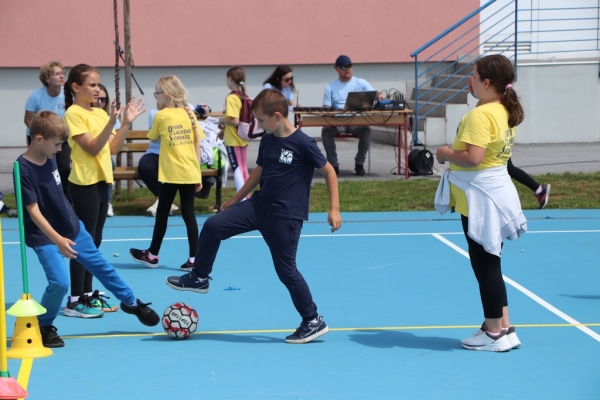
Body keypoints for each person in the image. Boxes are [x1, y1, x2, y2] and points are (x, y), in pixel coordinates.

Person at [165, 89, 342, 344]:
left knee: (286, 271)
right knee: (214, 225)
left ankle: (312, 320)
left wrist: (334, 208)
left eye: (260, 120)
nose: (257, 125)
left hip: (285, 217)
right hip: (258, 206)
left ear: (277, 116)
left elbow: (328, 171)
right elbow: (259, 171)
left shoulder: (303, 143)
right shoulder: (269, 138)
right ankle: (199, 277)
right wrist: (237, 199)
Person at [16, 111, 159, 347]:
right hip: (45, 236)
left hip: (71, 227)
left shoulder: (50, 155)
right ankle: (44, 325)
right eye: (57, 144)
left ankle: (131, 302)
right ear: (38, 139)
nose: (61, 149)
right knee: (60, 283)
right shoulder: (22, 168)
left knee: (102, 267)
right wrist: (58, 240)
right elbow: (33, 211)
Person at [434, 54, 528, 352]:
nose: (469, 81)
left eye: (473, 75)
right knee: (492, 262)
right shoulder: (502, 109)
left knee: (484, 265)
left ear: (486, 82)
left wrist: (445, 153)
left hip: (480, 197)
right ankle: (504, 326)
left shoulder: (481, 115)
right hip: (495, 190)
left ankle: (493, 333)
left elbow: (473, 158)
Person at [63, 64, 145, 318]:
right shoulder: (74, 113)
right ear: (76, 87)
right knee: (84, 241)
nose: (97, 90)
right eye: (92, 85)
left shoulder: (98, 114)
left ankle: (87, 294)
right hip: (84, 182)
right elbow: (91, 147)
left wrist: (124, 124)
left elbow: (111, 149)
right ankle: (75, 299)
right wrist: (111, 120)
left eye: (98, 85)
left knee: (95, 240)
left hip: (102, 180)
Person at [129, 75, 203, 271]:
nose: (155, 97)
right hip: (188, 172)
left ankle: (152, 255)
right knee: (189, 214)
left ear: (166, 94)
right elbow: (197, 147)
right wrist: (198, 174)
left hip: (171, 173)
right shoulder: (189, 114)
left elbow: (152, 137)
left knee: (162, 213)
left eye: (157, 93)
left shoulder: (160, 116)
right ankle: (195, 259)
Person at [322, 55, 384, 176]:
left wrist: (380, 95)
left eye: (350, 66)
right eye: (344, 67)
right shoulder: (330, 87)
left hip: (357, 121)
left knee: (366, 130)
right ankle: (333, 165)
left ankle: (359, 163)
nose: (348, 70)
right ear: (337, 69)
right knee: (326, 131)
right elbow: (326, 110)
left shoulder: (360, 82)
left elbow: (375, 93)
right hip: (337, 122)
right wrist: (340, 111)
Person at [24, 60, 71, 201]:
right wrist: (43, 136)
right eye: (57, 74)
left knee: (63, 168)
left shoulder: (68, 94)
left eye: (62, 73)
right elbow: (27, 120)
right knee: (44, 168)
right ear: (46, 78)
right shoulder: (35, 96)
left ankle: (67, 201)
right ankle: (42, 199)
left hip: (61, 138)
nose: (62, 76)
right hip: (41, 138)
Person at [91, 84, 120, 217]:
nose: (100, 102)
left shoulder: (111, 118)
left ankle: (107, 202)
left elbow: (111, 147)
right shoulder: (80, 115)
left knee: (108, 162)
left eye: (103, 99)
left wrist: (123, 123)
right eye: (97, 98)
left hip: (104, 156)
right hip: (88, 155)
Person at [219, 66, 250, 193]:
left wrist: (221, 120)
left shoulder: (231, 98)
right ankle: (247, 197)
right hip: (242, 138)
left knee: (237, 169)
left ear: (229, 78)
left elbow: (234, 120)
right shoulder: (243, 95)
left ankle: (241, 198)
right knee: (243, 169)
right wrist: (223, 130)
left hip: (233, 140)